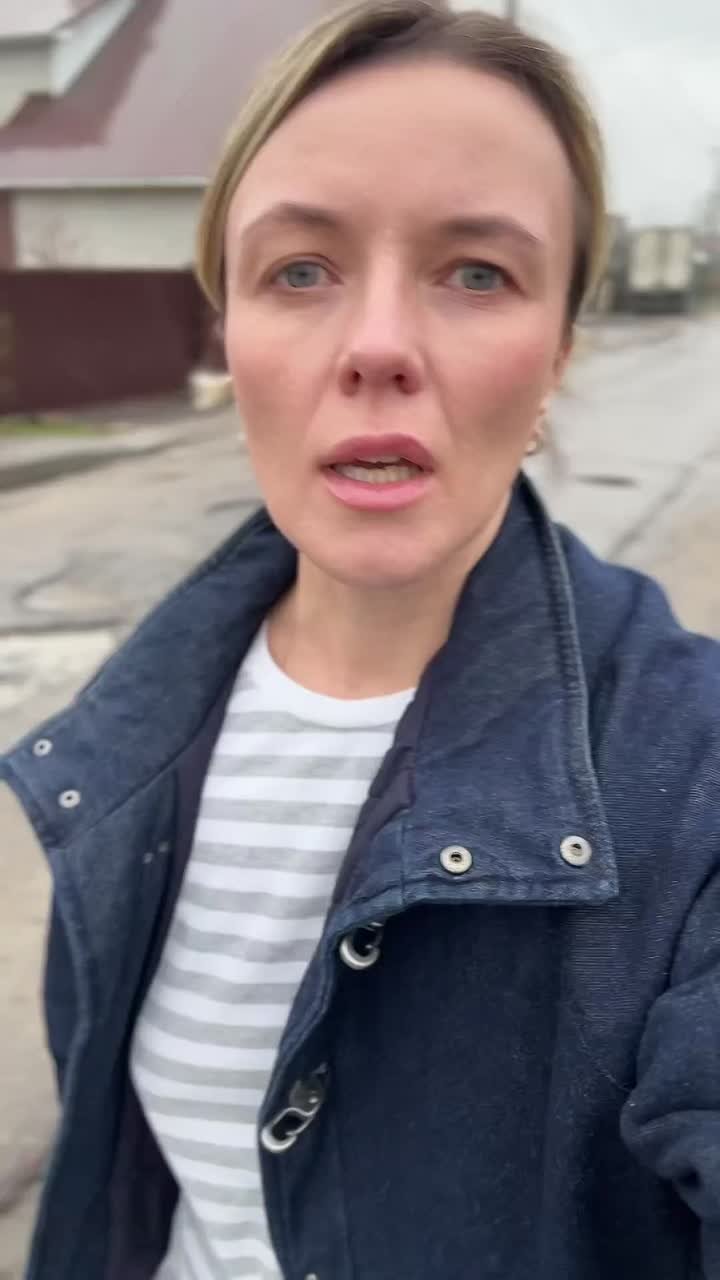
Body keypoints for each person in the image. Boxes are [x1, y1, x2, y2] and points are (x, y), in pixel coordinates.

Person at [3, 2, 720, 1277]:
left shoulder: (695, 767)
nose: (378, 345)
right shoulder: (133, 731)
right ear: (230, 333)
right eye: (299, 271)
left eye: (477, 272)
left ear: (558, 349)